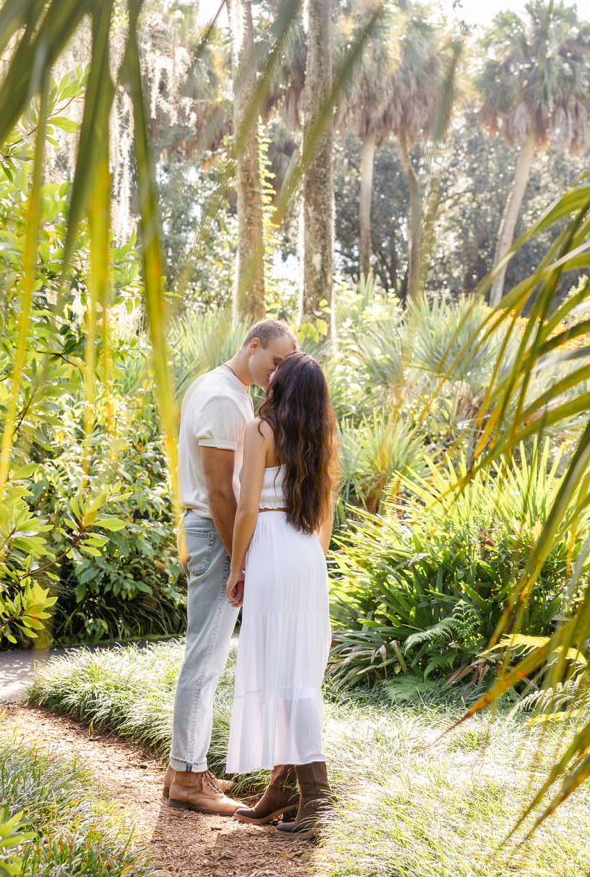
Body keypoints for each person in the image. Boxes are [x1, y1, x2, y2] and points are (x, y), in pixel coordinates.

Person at [166, 319, 298, 815]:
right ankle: (187, 778)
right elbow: (221, 491)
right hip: (214, 532)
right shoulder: (224, 399)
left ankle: (184, 767)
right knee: (206, 657)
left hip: (208, 531)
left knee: (206, 654)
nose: (279, 373)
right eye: (276, 362)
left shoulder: (225, 389)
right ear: (253, 345)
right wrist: (238, 560)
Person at [225, 351, 339, 836]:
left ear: (281, 386)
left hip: (271, 547)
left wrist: (237, 567)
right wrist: (308, 560)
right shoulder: (322, 438)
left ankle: (318, 799)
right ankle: (284, 788)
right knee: (297, 670)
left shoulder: (260, 430)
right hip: (307, 554)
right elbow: (325, 516)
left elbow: (248, 508)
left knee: (284, 673)